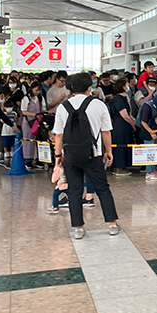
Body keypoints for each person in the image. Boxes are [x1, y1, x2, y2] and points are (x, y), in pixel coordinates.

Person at [53, 72, 119, 239]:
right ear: (90, 87)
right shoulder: (98, 105)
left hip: (70, 155)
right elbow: (106, 131)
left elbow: (58, 135)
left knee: (74, 190)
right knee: (102, 188)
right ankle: (112, 224)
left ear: (71, 87)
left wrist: (57, 155)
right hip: (94, 154)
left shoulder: (63, 107)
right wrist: (108, 151)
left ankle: (78, 228)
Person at [108, 79, 135, 176]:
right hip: (120, 126)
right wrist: (132, 123)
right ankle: (118, 167)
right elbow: (125, 115)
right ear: (123, 87)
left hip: (121, 125)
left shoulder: (121, 98)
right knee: (120, 146)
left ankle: (122, 166)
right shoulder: (119, 100)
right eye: (126, 84)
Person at [139, 92, 157, 181]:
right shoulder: (147, 106)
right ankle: (149, 171)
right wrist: (151, 132)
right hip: (148, 131)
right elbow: (143, 122)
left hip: (155, 129)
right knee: (149, 151)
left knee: (156, 151)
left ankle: (154, 169)